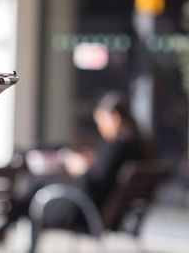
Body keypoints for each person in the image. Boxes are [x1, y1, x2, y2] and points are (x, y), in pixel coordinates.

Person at [16, 90, 149, 231]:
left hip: (83, 212)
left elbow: (95, 179)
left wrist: (78, 166)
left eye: (101, 122)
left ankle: (8, 218)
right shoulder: (136, 147)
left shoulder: (118, 146)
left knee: (35, 187)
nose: (100, 128)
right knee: (40, 184)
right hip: (97, 210)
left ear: (115, 117)